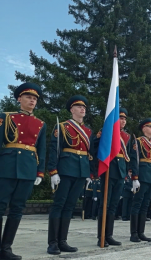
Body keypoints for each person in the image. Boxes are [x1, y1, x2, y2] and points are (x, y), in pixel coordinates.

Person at [0, 83, 46, 260]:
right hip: (7, 166)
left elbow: (41, 150)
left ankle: (6, 249)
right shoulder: (6, 117)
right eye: (28, 97)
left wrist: (40, 172)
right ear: (19, 99)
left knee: (17, 209)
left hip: (28, 168)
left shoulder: (41, 124)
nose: (32, 100)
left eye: (35, 99)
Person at [47, 95, 94, 255]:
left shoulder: (88, 131)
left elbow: (90, 153)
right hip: (66, 168)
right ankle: (52, 242)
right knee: (59, 204)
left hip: (81, 171)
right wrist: (53, 171)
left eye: (84, 108)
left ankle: (62, 241)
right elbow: (54, 150)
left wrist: (89, 174)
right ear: (72, 110)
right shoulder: (62, 126)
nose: (83, 109)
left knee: (70, 206)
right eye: (79, 107)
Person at [93, 107, 131, 247]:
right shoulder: (107, 131)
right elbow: (97, 148)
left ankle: (109, 235)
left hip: (120, 172)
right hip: (109, 170)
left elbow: (128, 157)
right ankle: (101, 236)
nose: (123, 121)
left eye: (125, 119)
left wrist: (128, 172)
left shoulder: (127, 136)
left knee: (113, 206)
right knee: (105, 205)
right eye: (121, 118)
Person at [130, 118, 151, 243]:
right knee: (137, 204)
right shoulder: (138, 141)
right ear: (143, 128)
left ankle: (141, 232)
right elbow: (134, 160)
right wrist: (135, 177)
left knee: (145, 205)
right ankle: (134, 233)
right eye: (149, 126)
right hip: (142, 175)